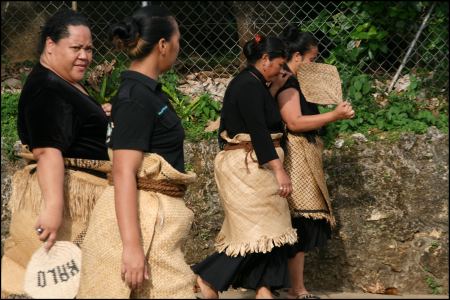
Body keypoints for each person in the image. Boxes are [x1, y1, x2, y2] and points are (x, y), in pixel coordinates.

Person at [77, 6, 197, 298]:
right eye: (177, 39)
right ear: (163, 45)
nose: (179, 47)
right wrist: (132, 247)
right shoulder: (135, 98)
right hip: (143, 221)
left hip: (157, 222)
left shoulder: (147, 92)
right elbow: (122, 171)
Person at [1, 9, 111, 297]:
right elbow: (48, 150)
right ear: (51, 45)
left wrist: (99, 115)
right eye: (76, 48)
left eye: (89, 49)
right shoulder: (48, 89)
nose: (85, 56)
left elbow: (69, 124)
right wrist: (53, 208)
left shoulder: (61, 82)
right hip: (75, 199)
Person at [192, 34, 298, 299]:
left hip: (251, 166)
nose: (282, 69)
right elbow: (258, 131)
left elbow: (257, 116)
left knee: (270, 232)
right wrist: (278, 169)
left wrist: (272, 89)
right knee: (253, 233)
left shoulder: (254, 84)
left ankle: (264, 290)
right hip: (249, 168)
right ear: (265, 59)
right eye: (279, 63)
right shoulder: (249, 85)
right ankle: (207, 277)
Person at [276, 25, 355, 299]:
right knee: (302, 220)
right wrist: (334, 116)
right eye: (311, 59)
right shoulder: (287, 81)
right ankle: (297, 288)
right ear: (296, 56)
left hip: (304, 153)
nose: (314, 64)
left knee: (303, 222)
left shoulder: (296, 81)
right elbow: (294, 122)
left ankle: (291, 286)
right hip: (295, 156)